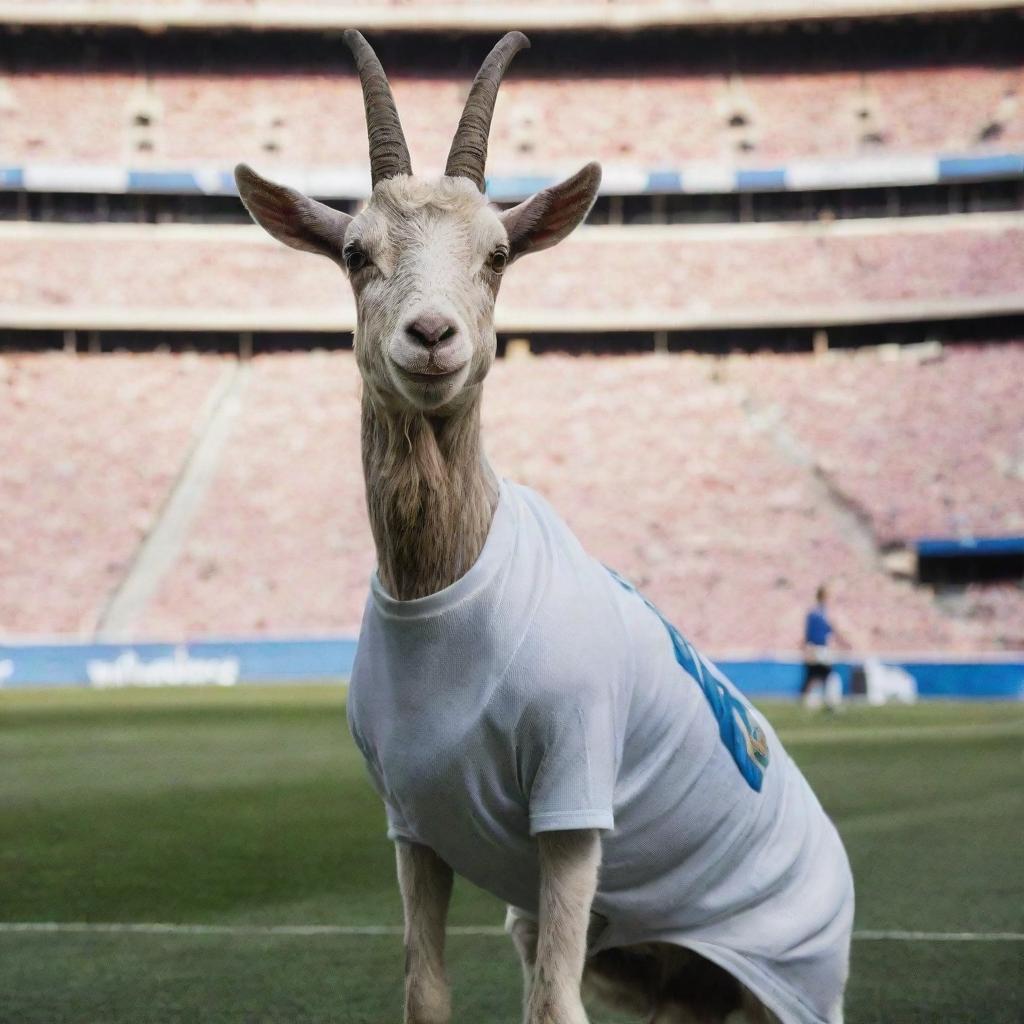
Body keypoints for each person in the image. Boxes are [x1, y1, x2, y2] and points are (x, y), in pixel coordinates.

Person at [802, 585, 848, 709]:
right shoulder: (819, 614)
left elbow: (811, 633)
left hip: (816, 648)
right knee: (827, 675)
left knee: (816, 675)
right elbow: (827, 630)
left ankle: (813, 701)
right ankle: (830, 701)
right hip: (819, 649)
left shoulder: (816, 613)